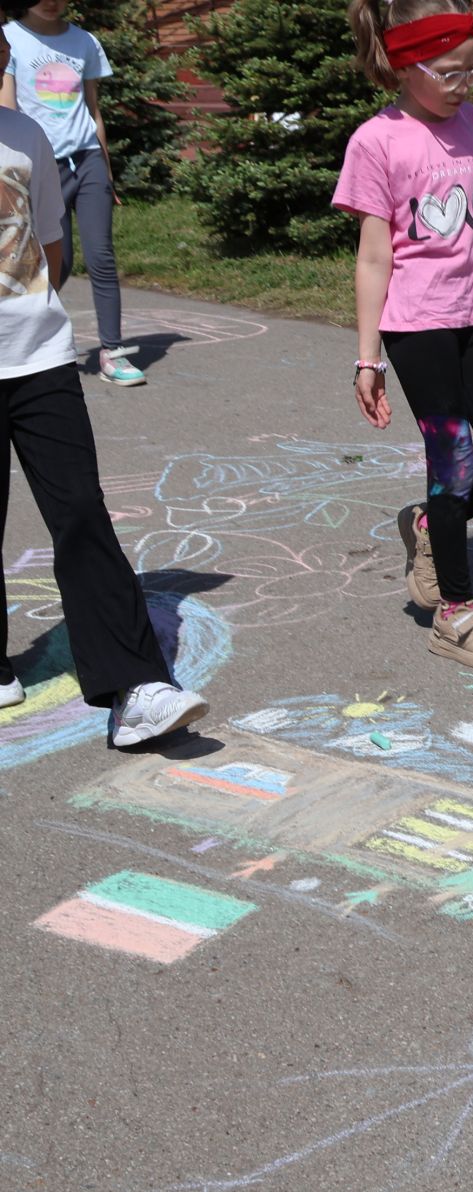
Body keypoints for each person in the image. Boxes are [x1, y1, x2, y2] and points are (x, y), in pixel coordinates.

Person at [336, 0, 473, 668]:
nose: (464, 85)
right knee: (453, 468)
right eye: (450, 74)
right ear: (407, 66)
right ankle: (454, 615)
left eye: (472, 70)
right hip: (415, 326)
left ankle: (431, 524)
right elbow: (374, 257)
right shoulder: (378, 140)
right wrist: (366, 359)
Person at [0, 94, 207, 741]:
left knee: (82, 513)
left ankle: (136, 685)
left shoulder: (23, 134)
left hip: (38, 357)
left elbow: (50, 248)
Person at [0, 0, 142, 384]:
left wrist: (107, 170)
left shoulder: (85, 42)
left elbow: (94, 110)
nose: (52, 2)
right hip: (42, 164)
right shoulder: (9, 39)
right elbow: (7, 108)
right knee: (56, 260)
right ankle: (38, 342)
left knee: (102, 255)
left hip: (88, 159)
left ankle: (112, 351)